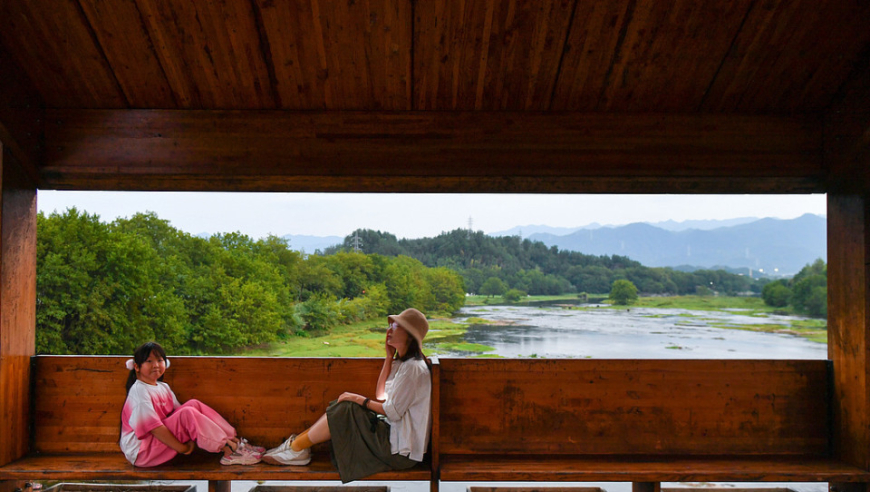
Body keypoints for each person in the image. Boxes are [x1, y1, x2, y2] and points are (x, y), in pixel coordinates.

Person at [263, 308, 432, 483]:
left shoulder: (413, 368)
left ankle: (297, 448)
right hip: (393, 440)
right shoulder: (404, 364)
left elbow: (392, 412)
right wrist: (389, 358)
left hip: (401, 453)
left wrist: (357, 398)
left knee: (346, 407)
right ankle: (297, 447)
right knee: (344, 405)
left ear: (410, 336)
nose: (389, 331)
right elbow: (381, 394)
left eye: (396, 326)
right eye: (390, 325)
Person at [120, 341, 265, 466]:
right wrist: (182, 448)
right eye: (149, 361)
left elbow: (180, 414)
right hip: (141, 452)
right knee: (188, 412)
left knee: (193, 404)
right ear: (137, 367)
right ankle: (229, 450)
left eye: (159, 360)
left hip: (155, 444)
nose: (156, 365)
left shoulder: (162, 387)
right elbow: (155, 428)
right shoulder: (139, 391)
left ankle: (233, 441)